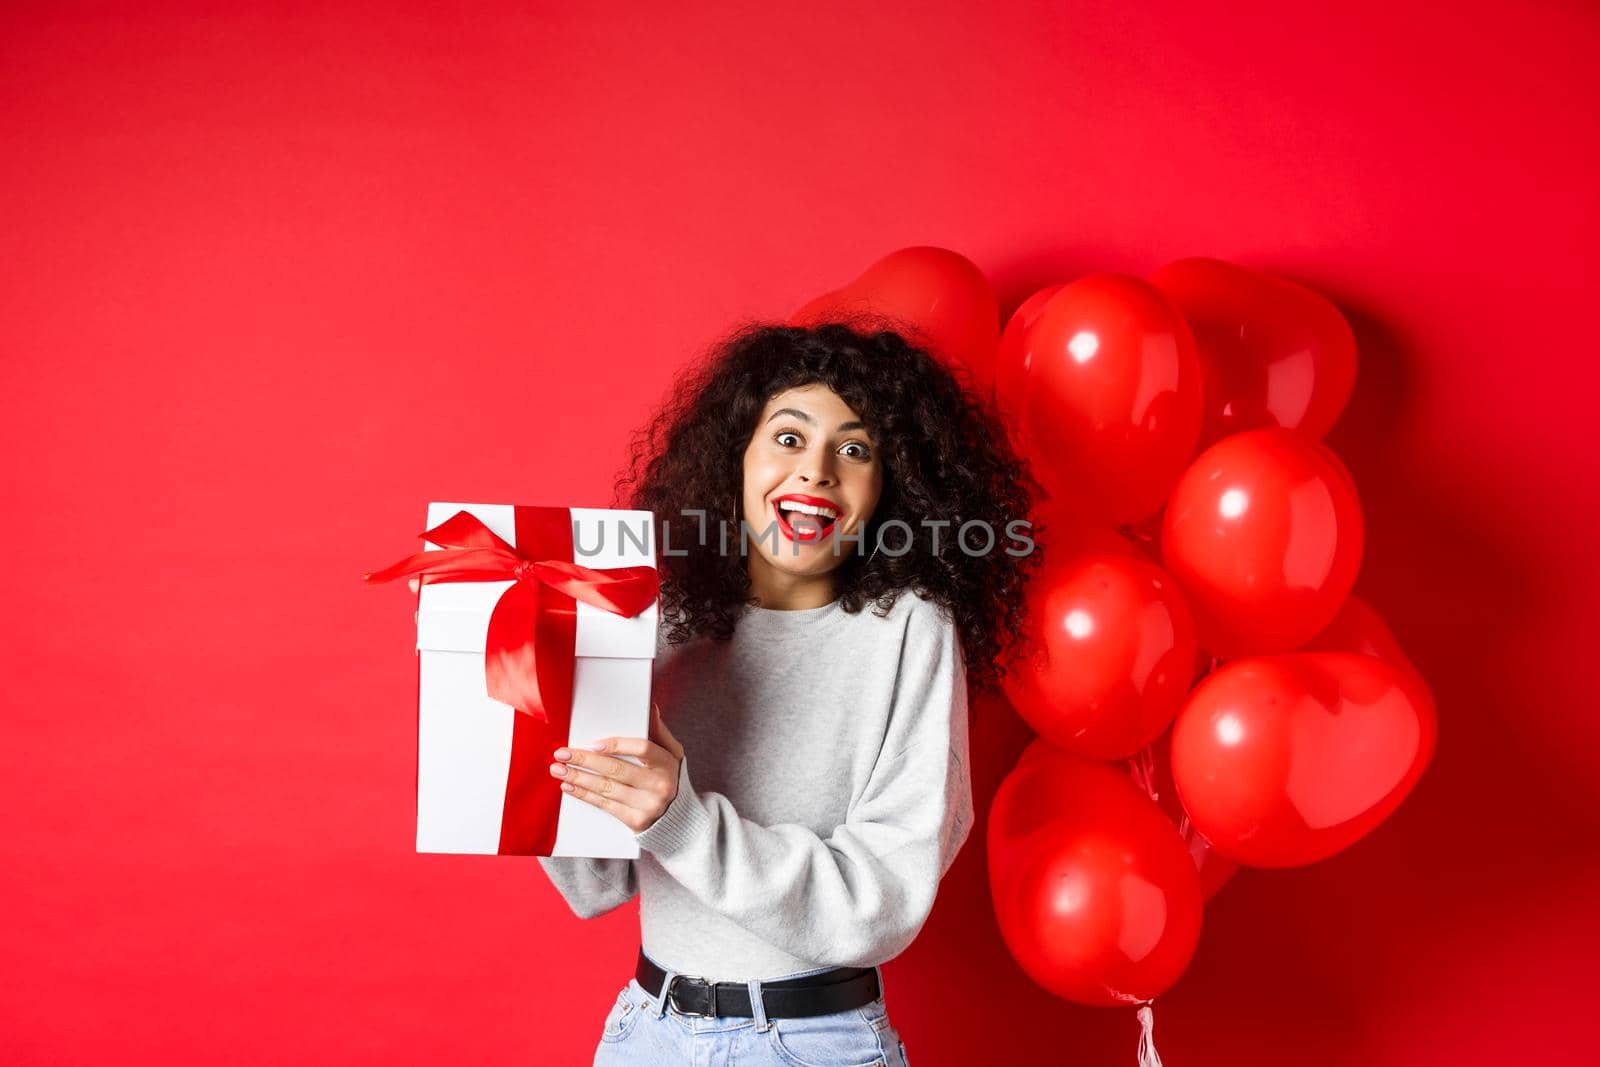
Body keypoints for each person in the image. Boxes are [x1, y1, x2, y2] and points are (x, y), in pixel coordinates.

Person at [537, 322, 1041, 1066]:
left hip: (812, 1043)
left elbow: (885, 898)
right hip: (647, 1031)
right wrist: (528, 714)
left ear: (891, 487)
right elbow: (597, 881)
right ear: (733, 459)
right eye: (787, 437)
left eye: (855, 449)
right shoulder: (665, 616)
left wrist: (681, 818)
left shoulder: (906, 630)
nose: (816, 470)